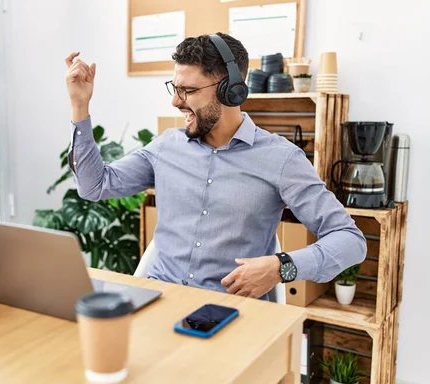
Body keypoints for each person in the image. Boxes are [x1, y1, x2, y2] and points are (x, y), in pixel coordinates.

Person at [63, 32, 366, 300]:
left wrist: (280, 267)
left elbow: (350, 240)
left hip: (228, 312)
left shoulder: (281, 159)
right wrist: (80, 106)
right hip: (158, 301)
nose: (176, 102)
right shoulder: (166, 146)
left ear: (230, 90)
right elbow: (94, 186)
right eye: (175, 88)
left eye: (189, 91)